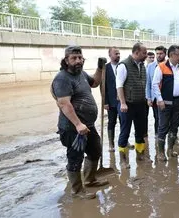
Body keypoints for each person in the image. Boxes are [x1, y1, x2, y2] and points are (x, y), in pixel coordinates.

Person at [51, 45, 109, 200]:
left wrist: (99, 68)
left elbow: (95, 83)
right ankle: (77, 191)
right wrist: (78, 124)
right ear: (66, 60)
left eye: (80, 57)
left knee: (95, 150)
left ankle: (89, 179)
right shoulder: (62, 79)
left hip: (87, 126)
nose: (78, 61)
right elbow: (64, 104)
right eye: (74, 58)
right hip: (72, 128)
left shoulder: (81, 73)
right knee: (75, 158)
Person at [152, 45, 179, 161]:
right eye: (178, 54)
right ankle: (161, 153)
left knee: (175, 126)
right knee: (162, 127)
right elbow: (155, 84)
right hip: (165, 102)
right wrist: (159, 100)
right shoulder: (161, 67)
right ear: (172, 55)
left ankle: (170, 150)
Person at [116, 42, 148, 169]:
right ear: (136, 53)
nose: (146, 55)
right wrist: (123, 103)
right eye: (144, 53)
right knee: (125, 131)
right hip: (127, 105)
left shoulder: (142, 66)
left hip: (140, 104)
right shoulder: (123, 65)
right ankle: (123, 160)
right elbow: (119, 85)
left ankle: (140, 154)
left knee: (140, 131)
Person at [146, 46, 167, 137]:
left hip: (166, 96)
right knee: (157, 117)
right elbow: (148, 83)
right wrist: (148, 98)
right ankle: (157, 135)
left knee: (168, 117)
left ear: (165, 54)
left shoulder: (169, 65)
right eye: (157, 54)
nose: (159, 55)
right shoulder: (150, 66)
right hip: (154, 97)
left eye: (161, 53)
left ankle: (169, 136)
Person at [104, 47, 121, 152]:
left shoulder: (122, 66)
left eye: (119, 53)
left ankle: (124, 141)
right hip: (111, 101)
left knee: (124, 121)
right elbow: (103, 86)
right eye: (116, 53)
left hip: (122, 101)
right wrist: (105, 102)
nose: (118, 55)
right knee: (111, 122)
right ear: (110, 55)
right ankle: (111, 143)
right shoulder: (105, 68)